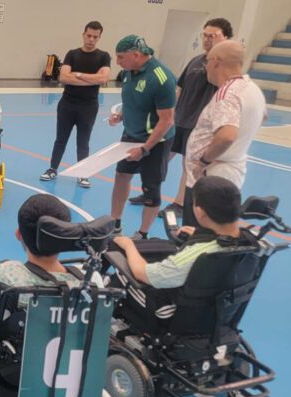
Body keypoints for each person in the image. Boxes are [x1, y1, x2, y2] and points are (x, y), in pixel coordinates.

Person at [181, 40, 266, 227]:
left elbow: (227, 136)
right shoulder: (252, 89)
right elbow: (262, 118)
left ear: (216, 62)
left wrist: (203, 161)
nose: (206, 67)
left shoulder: (227, 93)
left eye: (207, 61)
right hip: (231, 173)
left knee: (197, 237)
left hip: (210, 178)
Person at [153, 18, 232, 218]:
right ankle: (151, 193)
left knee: (189, 165)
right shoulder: (196, 60)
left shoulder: (224, 67)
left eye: (212, 36)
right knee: (159, 157)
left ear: (226, 38)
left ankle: (179, 204)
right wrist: (168, 112)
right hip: (178, 119)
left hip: (200, 125)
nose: (207, 39)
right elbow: (179, 88)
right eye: (204, 35)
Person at [113, 176, 246, 290]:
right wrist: (201, 235)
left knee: (118, 260)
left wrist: (128, 245)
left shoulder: (196, 255)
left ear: (199, 212)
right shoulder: (250, 242)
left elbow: (143, 274)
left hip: (167, 310)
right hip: (217, 305)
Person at [108, 35, 176, 239]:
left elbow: (167, 120)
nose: (118, 62)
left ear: (136, 55)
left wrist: (145, 148)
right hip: (130, 135)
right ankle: (115, 223)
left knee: (151, 188)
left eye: (121, 57)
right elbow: (134, 102)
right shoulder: (129, 72)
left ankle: (143, 234)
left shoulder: (161, 78)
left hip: (156, 140)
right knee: (121, 176)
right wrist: (121, 116)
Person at [40, 21, 111, 188]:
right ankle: (52, 169)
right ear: (83, 34)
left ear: (99, 37)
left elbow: (103, 79)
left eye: (95, 37)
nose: (91, 39)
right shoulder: (72, 54)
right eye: (88, 35)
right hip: (67, 104)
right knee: (61, 139)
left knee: (83, 141)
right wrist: (91, 80)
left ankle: (83, 174)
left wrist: (77, 75)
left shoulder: (103, 56)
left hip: (89, 106)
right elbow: (64, 77)